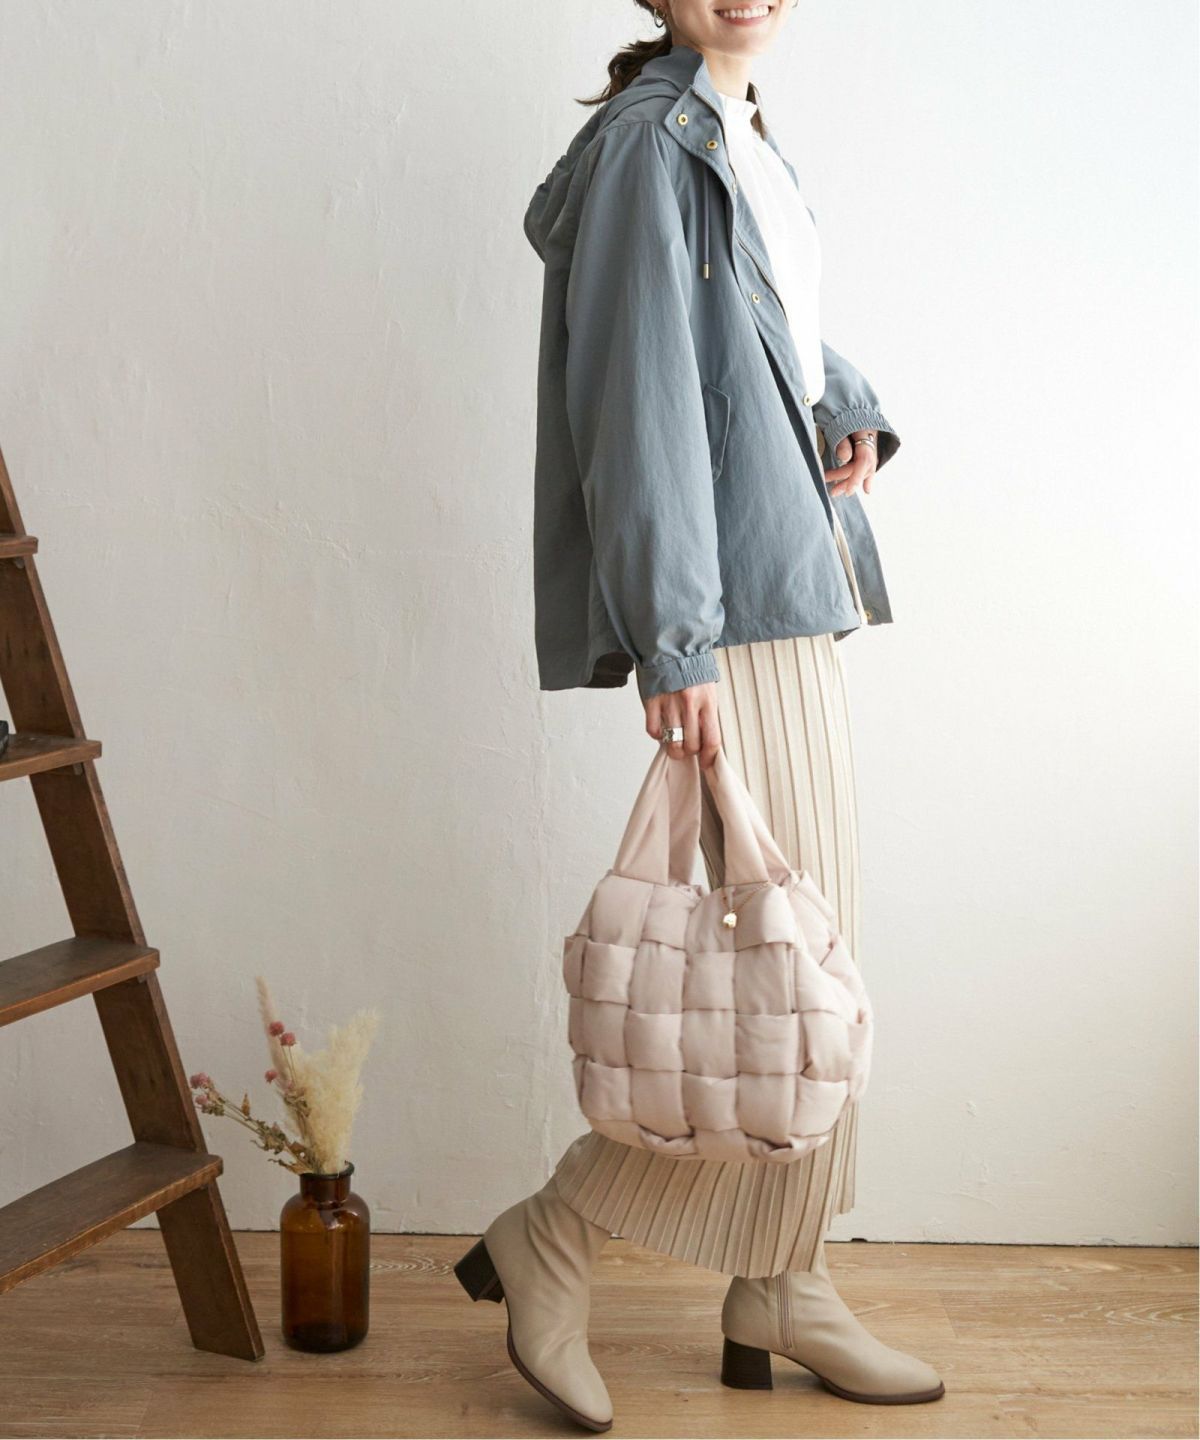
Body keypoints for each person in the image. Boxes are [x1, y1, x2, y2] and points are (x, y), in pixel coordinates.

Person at [455, 2, 945, 1429]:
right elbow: (640, 402)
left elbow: (767, 336)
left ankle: (782, 1283)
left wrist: (848, 404)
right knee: (784, 978)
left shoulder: (742, 133)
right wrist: (673, 641)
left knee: (805, 968)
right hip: (726, 612)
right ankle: (557, 1235)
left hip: (792, 583)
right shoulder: (644, 146)